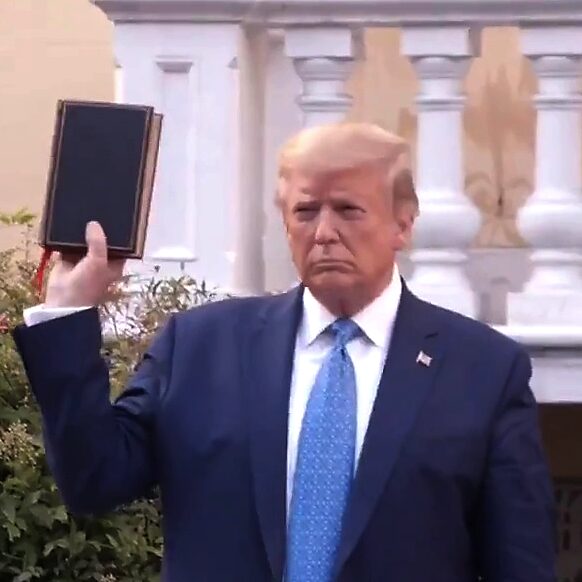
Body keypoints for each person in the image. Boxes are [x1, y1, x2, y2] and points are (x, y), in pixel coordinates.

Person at [13, 122, 556, 581]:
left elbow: (519, 563)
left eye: (348, 210)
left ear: (403, 224)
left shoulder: (482, 371)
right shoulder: (201, 347)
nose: (324, 232)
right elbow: (93, 480)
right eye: (305, 211)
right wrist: (67, 313)